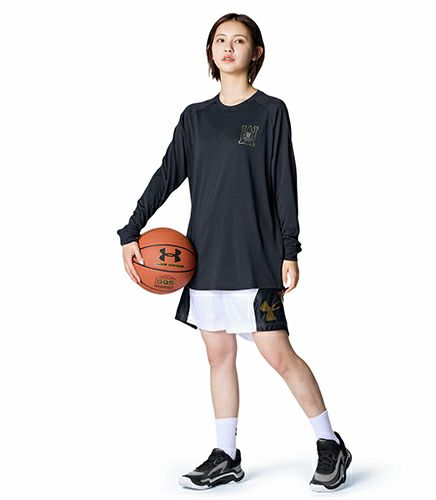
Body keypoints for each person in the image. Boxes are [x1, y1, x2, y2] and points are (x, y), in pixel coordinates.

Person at [117, 12, 351, 492]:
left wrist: (290, 249)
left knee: (278, 354)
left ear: (255, 52)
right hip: (205, 259)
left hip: (255, 256)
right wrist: (131, 229)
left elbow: (284, 184)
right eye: (220, 40)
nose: (228, 47)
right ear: (210, 51)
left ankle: (330, 443)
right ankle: (226, 455)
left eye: (239, 40)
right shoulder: (195, 118)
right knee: (218, 355)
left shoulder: (270, 111)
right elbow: (167, 175)